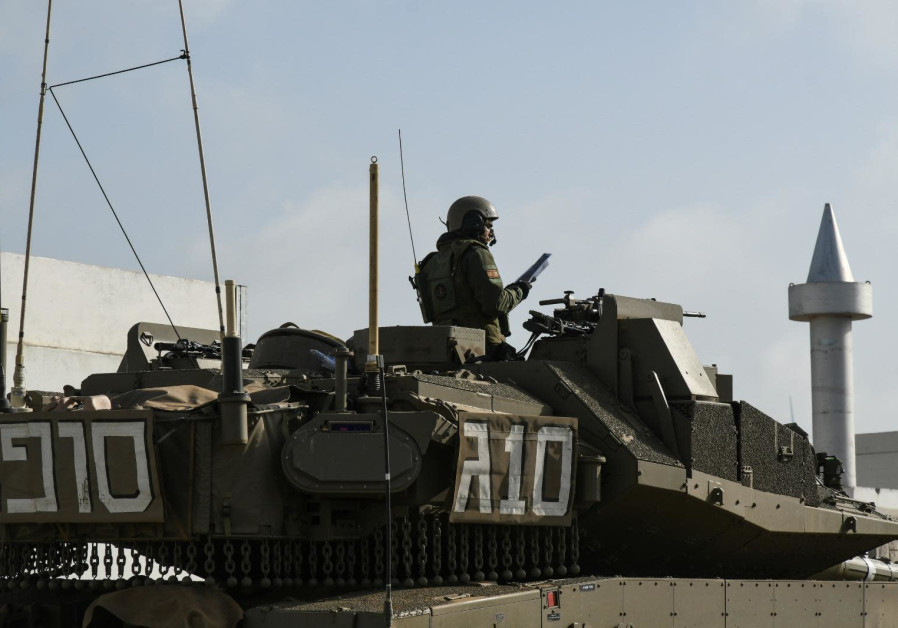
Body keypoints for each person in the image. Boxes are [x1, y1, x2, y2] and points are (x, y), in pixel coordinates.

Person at [417, 195, 530, 360]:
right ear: (474, 223)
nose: (491, 232)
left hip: (446, 352)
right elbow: (495, 304)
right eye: (488, 225)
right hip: (482, 348)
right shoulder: (476, 253)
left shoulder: (430, 263)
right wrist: (520, 290)